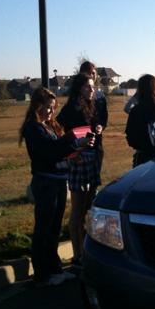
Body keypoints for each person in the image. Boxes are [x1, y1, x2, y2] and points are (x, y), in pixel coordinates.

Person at [19, 87, 94, 287]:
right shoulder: (33, 128)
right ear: (36, 106)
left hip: (59, 180)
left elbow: (59, 150)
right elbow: (50, 152)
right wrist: (75, 143)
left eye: (53, 108)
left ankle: (54, 268)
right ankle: (42, 274)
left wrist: (77, 147)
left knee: (54, 229)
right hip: (46, 183)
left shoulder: (49, 126)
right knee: (44, 228)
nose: (51, 112)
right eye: (47, 107)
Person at [57, 73, 100, 268]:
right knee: (77, 211)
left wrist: (97, 129)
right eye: (88, 87)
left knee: (88, 210)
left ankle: (85, 253)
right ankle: (77, 256)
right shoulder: (70, 108)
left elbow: (87, 129)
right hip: (78, 162)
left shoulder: (90, 106)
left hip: (91, 160)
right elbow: (58, 132)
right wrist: (72, 154)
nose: (92, 90)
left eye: (92, 86)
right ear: (79, 89)